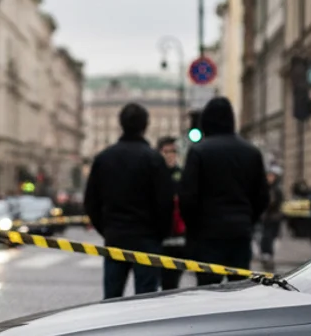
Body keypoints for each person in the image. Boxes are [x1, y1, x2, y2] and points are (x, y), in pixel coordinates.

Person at [83, 103, 175, 299]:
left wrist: (106, 228)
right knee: (146, 298)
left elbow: (91, 201)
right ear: (145, 126)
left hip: (115, 235)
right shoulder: (154, 159)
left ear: (120, 124)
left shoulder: (104, 158)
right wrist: (159, 233)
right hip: (147, 237)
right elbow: (165, 203)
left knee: (113, 298)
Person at [178, 96, 269, 286]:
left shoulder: (199, 152)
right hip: (240, 231)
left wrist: (194, 227)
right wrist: (247, 219)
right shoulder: (251, 152)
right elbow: (262, 196)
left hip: (207, 233)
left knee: (208, 289)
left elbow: (187, 197)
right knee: (238, 287)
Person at [156, 136, 187, 290]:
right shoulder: (153, 174)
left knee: (172, 284)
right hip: (157, 236)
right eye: (166, 151)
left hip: (178, 237)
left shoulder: (183, 174)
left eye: (173, 151)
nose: (170, 155)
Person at [260, 165, 285, 271]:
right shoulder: (265, 188)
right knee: (265, 236)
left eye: (271, 176)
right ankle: (266, 253)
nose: (269, 178)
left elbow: (275, 202)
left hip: (273, 218)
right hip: (266, 218)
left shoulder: (276, 189)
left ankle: (268, 254)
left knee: (270, 236)